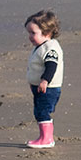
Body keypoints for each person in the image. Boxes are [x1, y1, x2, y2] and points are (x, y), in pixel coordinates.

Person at [24, 10, 64, 149]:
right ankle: (44, 137)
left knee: (42, 111)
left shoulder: (50, 48)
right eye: (29, 32)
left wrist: (44, 80)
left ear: (47, 32)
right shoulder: (40, 47)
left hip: (48, 88)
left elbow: (51, 66)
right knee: (39, 111)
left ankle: (47, 139)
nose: (30, 36)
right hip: (39, 87)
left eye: (33, 33)